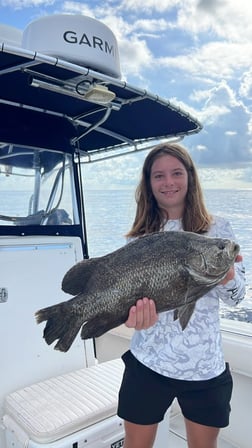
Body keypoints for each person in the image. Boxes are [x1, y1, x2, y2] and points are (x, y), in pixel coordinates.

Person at [117, 142, 246, 448]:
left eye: (176, 173)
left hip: (204, 367)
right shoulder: (140, 237)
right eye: (158, 175)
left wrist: (227, 277)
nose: (169, 182)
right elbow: (128, 300)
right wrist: (134, 319)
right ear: (149, 183)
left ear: (190, 177)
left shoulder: (219, 231)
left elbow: (237, 297)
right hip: (147, 363)